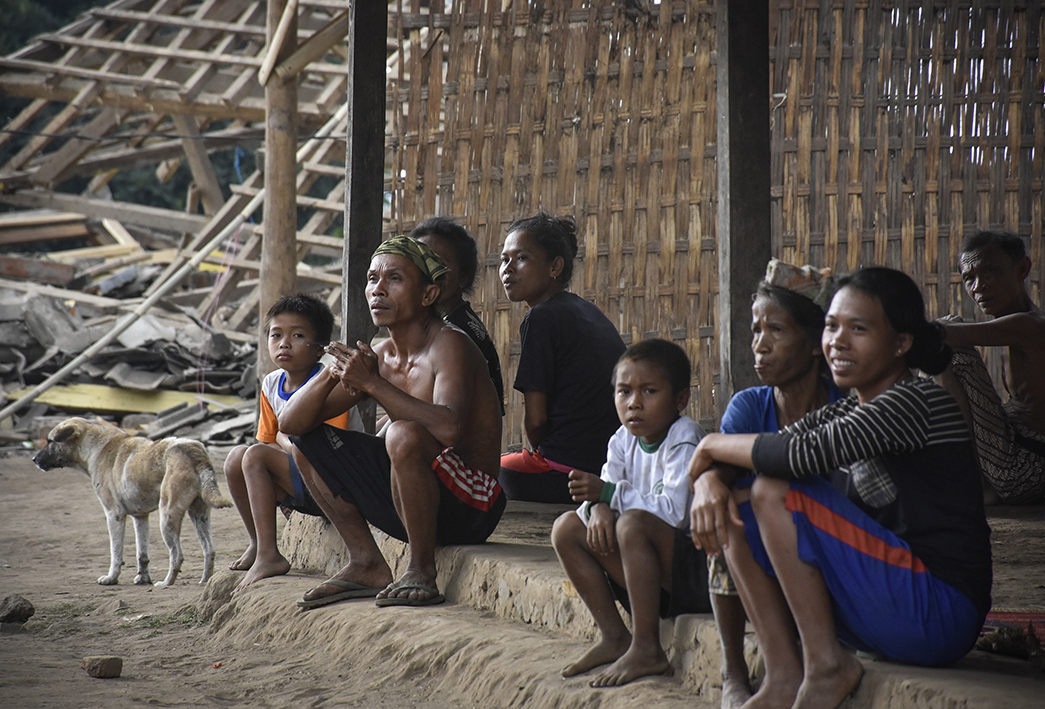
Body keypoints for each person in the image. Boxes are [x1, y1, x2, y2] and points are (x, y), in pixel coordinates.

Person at [689, 267, 991, 709]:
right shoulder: (848, 408)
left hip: (939, 610)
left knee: (774, 490)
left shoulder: (916, 401)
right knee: (735, 512)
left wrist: (711, 442)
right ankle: (785, 673)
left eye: (859, 329)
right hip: (886, 603)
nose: (838, 341)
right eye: (832, 326)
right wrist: (708, 481)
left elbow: (796, 456)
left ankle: (826, 665)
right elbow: (785, 444)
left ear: (901, 343)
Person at [280, 236, 505, 610]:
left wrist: (371, 383)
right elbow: (290, 423)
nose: (377, 290)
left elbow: (448, 429)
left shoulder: (451, 344)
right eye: (371, 279)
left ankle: (421, 569)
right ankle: (366, 561)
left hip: (473, 505)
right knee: (309, 440)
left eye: (394, 279)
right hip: (413, 502)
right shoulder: (381, 353)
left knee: (402, 433)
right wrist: (331, 372)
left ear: (429, 294)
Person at [696, 261, 845, 708]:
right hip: (767, 566)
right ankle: (734, 672)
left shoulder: (846, 406)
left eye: (776, 331)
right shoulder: (748, 406)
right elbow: (717, 470)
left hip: (832, 552)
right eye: (756, 330)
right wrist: (707, 484)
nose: (760, 345)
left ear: (816, 343)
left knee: (751, 499)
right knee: (727, 510)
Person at [552, 338, 708, 687]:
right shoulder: (622, 439)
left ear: (680, 399)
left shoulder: (685, 438)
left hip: (688, 575)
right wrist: (601, 506)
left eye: (649, 391)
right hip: (643, 573)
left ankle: (647, 647)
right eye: (624, 392)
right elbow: (601, 492)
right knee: (566, 528)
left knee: (633, 524)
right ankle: (615, 637)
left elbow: (675, 513)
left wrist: (608, 495)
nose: (634, 403)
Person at [225, 294, 364, 593]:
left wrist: (281, 439)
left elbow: (321, 447)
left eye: (298, 335)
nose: (284, 343)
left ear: (319, 350)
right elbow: (268, 439)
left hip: (337, 482)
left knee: (255, 457)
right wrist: (281, 440)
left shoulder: (330, 383)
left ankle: (269, 556)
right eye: (276, 335)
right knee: (237, 457)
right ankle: (258, 543)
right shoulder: (271, 383)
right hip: (303, 480)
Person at [498, 212, 626, 503]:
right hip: (612, 462)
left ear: (555, 266)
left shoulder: (541, 318)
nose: (508, 268)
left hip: (569, 471)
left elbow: (536, 422)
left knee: (487, 471)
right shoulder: (585, 310)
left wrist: (544, 454)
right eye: (504, 259)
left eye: (521, 258)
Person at [936, 230, 1045, 504]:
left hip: (1026, 468)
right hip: (1017, 448)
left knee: (947, 350)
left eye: (990, 271)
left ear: (1022, 268)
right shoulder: (1016, 327)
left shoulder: (1031, 326)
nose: (978, 286)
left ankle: (979, 485)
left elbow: (942, 334)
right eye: (969, 278)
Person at [409, 217, 506, 415]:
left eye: (438, 264)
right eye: (419, 262)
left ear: (463, 278)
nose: (427, 272)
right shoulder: (442, 323)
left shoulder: (456, 334)